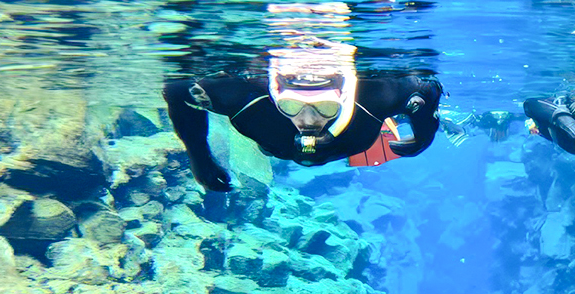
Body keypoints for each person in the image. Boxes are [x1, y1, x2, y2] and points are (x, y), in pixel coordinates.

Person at [164, 45, 443, 191]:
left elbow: (427, 89)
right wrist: (199, 158)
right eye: (291, 105)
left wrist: (424, 136)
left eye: (324, 107)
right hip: (283, 141)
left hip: (286, 138)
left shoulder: (377, 94)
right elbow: (176, 90)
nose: (308, 120)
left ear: (343, 97)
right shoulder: (245, 96)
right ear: (274, 93)